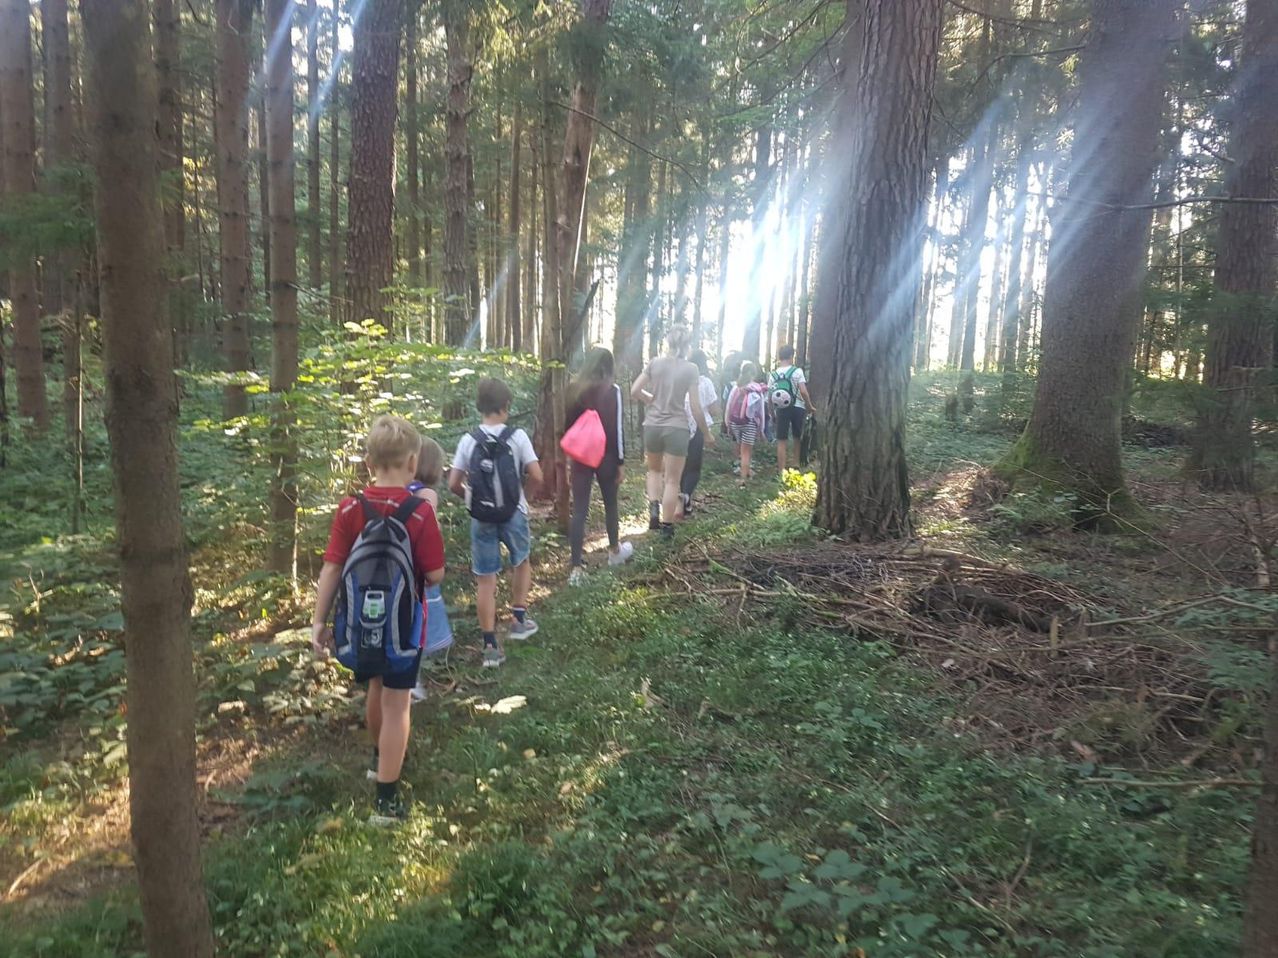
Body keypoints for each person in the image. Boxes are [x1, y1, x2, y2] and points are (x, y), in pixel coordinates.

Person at [311, 414, 446, 825]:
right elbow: (435, 574)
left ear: (369, 463)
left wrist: (318, 622)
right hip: (405, 625)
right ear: (413, 462)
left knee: (374, 687)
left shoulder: (350, 508)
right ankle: (386, 802)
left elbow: (332, 568)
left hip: (360, 624)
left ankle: (378, 757)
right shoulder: (420, 512)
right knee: (398, 702)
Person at [449, 378, 543, 669]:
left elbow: (453, 483)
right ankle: (519, 620)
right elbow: (537, 475)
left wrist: (471, 499)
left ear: (480, 407)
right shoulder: (517, 437)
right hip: (513, 514)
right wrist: (523, 499)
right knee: (521, 561)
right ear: (506, 406)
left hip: (481, 518)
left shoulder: (469, 440)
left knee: (485, 580)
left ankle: (490, 647)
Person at [631, 326, 714, 538]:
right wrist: (706, 433)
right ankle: (667, 527)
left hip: (652, 425)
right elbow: (695, 407)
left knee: (654, 471)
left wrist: (651, 400)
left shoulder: (655, 363)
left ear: (668, 342)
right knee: (672, 480)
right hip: (677, 427)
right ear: (687, 345)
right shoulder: (691, 369)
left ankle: (653, 508)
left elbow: (634, 390)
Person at [564, 347, 634, 586]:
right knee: (610, 504)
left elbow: (569, 429)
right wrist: (621, 463)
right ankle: (614, 552)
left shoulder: (573, 389)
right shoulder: (613, 391)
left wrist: (569, 461)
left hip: (581, 457)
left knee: (579, 510)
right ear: (609, 367)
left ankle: (576, 568)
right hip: (607, 457)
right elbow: (617, 430)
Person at [407, 436, 451, 703]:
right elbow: (428, 529)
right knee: (418, 625)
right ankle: (410, 680)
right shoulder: (427, 494)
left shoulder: (401, 489)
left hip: (398, 566)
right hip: (419, 568)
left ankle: (403, 676)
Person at [680, 350, 720, 517]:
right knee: (694, 467)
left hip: (678, 424)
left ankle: (681, 502)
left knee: (680, 466)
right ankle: (686, 496)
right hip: (697, 426)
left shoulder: (680, 380)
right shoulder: (706, 382)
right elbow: (713, 409)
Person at [768, 344, 816, 475]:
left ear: (780, 357)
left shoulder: (773, 374)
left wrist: (771, 412)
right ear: (791, 356)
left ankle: (781, 470)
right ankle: (795, 464)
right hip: (798, 407)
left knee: (781, 440)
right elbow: (803, 391)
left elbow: (770, 396)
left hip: (781, 408)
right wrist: (809, 406)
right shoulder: (797, 371)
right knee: (797, 436)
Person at [725, 361, 767, 484]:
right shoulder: (756, 389)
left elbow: (728, 406)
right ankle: (743, 479)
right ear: (754, 374)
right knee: (746, 452)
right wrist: (761, 430)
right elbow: (761, 411)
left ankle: (745, 470)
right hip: (749, 423)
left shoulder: (736, 387)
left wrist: (728, 423)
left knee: (741, 449)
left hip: (735, 423)